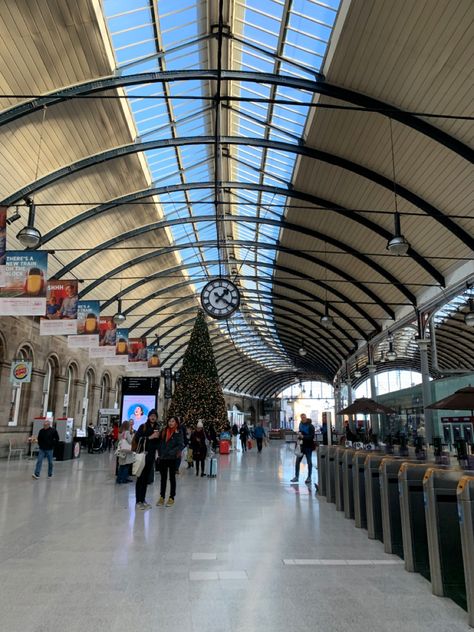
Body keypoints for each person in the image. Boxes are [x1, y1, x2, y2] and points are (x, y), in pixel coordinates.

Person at [132, 409, 160, 510]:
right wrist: (149, 437)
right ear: (148, 417)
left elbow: (158, 442)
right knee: (140, 478)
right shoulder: (143, 426)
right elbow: (137, 438)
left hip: (151, 456)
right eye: (151, 415)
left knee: (146, 479)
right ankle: (138, 501)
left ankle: (143, 499)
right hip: (142, 455)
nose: (153, 417)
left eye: (155, 416)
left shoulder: (157, 427)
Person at [156, 417, 184, 507]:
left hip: (173, 459)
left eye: (173, 421)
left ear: (176, 422)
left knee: (172, 478)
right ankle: (162, 497)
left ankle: (171, 497)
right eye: (169, 421)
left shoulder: (178, 432)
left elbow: (181, 445)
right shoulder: (164, 431)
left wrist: (172, 452)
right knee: (163, 478)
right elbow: (160, 442)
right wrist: (160, 452)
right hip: (163, 458)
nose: (171, 423)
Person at [291, 414, 315, 484]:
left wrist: (303, 437)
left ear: (306, 418)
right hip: (301, 447)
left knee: (309, 462)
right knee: (297, 461)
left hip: (308, 446)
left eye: (304, 417)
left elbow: (312, 437)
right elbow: (300, 434)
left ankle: (309, 477)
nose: (303, 419)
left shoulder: (311, 426)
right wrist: (298, 437)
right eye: (302, 418)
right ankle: (296, 476)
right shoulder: (300, 425)